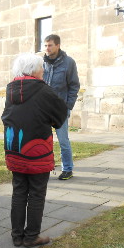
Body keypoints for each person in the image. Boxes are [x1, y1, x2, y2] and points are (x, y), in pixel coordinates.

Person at [2, 53, 68, 248]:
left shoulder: (10, 89)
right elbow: (60, 115)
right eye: (41, 68)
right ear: (33, 70)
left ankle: (16, 236)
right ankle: (31, 236)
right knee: (37, 192)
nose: (43, 71)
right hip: (37, 150)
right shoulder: (44, 90)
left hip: (15, 148)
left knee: (19, 190)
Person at [43, 34, 80, 181]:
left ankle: (67, 169)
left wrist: (68, 106)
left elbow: (74, 86)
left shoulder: (69, 63)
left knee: (63, 141)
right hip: (43, 109)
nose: (47, 48)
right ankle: (46, 167)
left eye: (50, 45)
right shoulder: (41, 62)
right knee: (44, 140)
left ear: (57, 45)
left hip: (60, 109)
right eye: (45, 45)